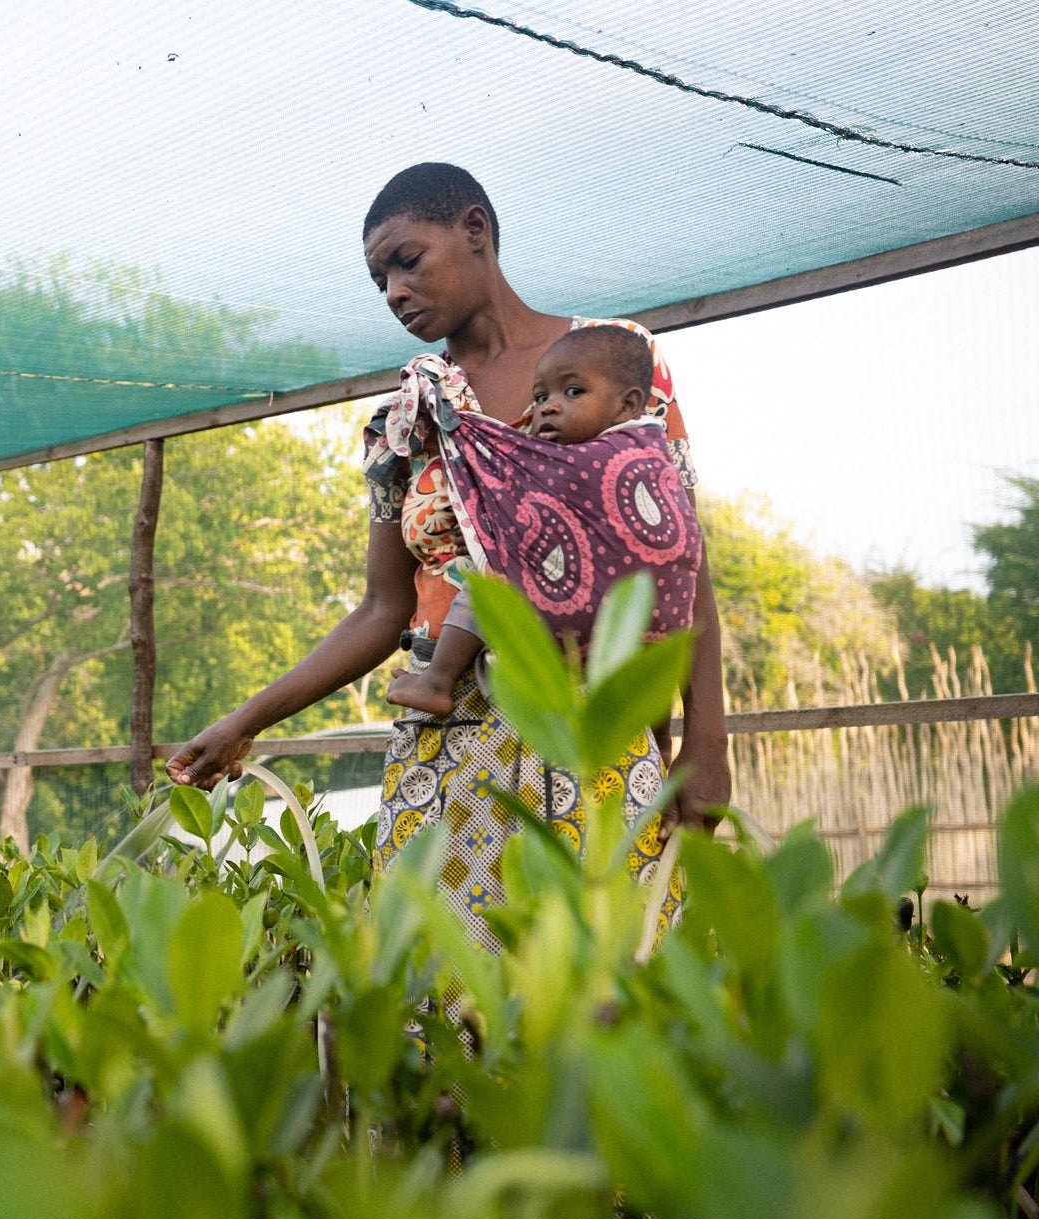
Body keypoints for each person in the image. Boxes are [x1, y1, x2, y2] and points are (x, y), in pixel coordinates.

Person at [166, 162, 730, 949]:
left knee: (602, 1003)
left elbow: (680, 558)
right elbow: (381, 609)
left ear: (475, 230)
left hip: (594, 731)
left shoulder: (613, 365)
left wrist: (705, 744)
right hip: (447, 743)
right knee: (436, 1009)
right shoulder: (408, 416)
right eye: (378, 281)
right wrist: (246, 719)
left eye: (406, 259)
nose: (394, 291)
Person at [385, 322, 672, 715]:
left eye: (573, 392)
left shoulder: (608, 459)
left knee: (487, 589)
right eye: (540, 398)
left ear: (627, 404)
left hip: (586, 627)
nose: (549, 406)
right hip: (602, 648)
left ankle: (438, 681)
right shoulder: (646, 450)